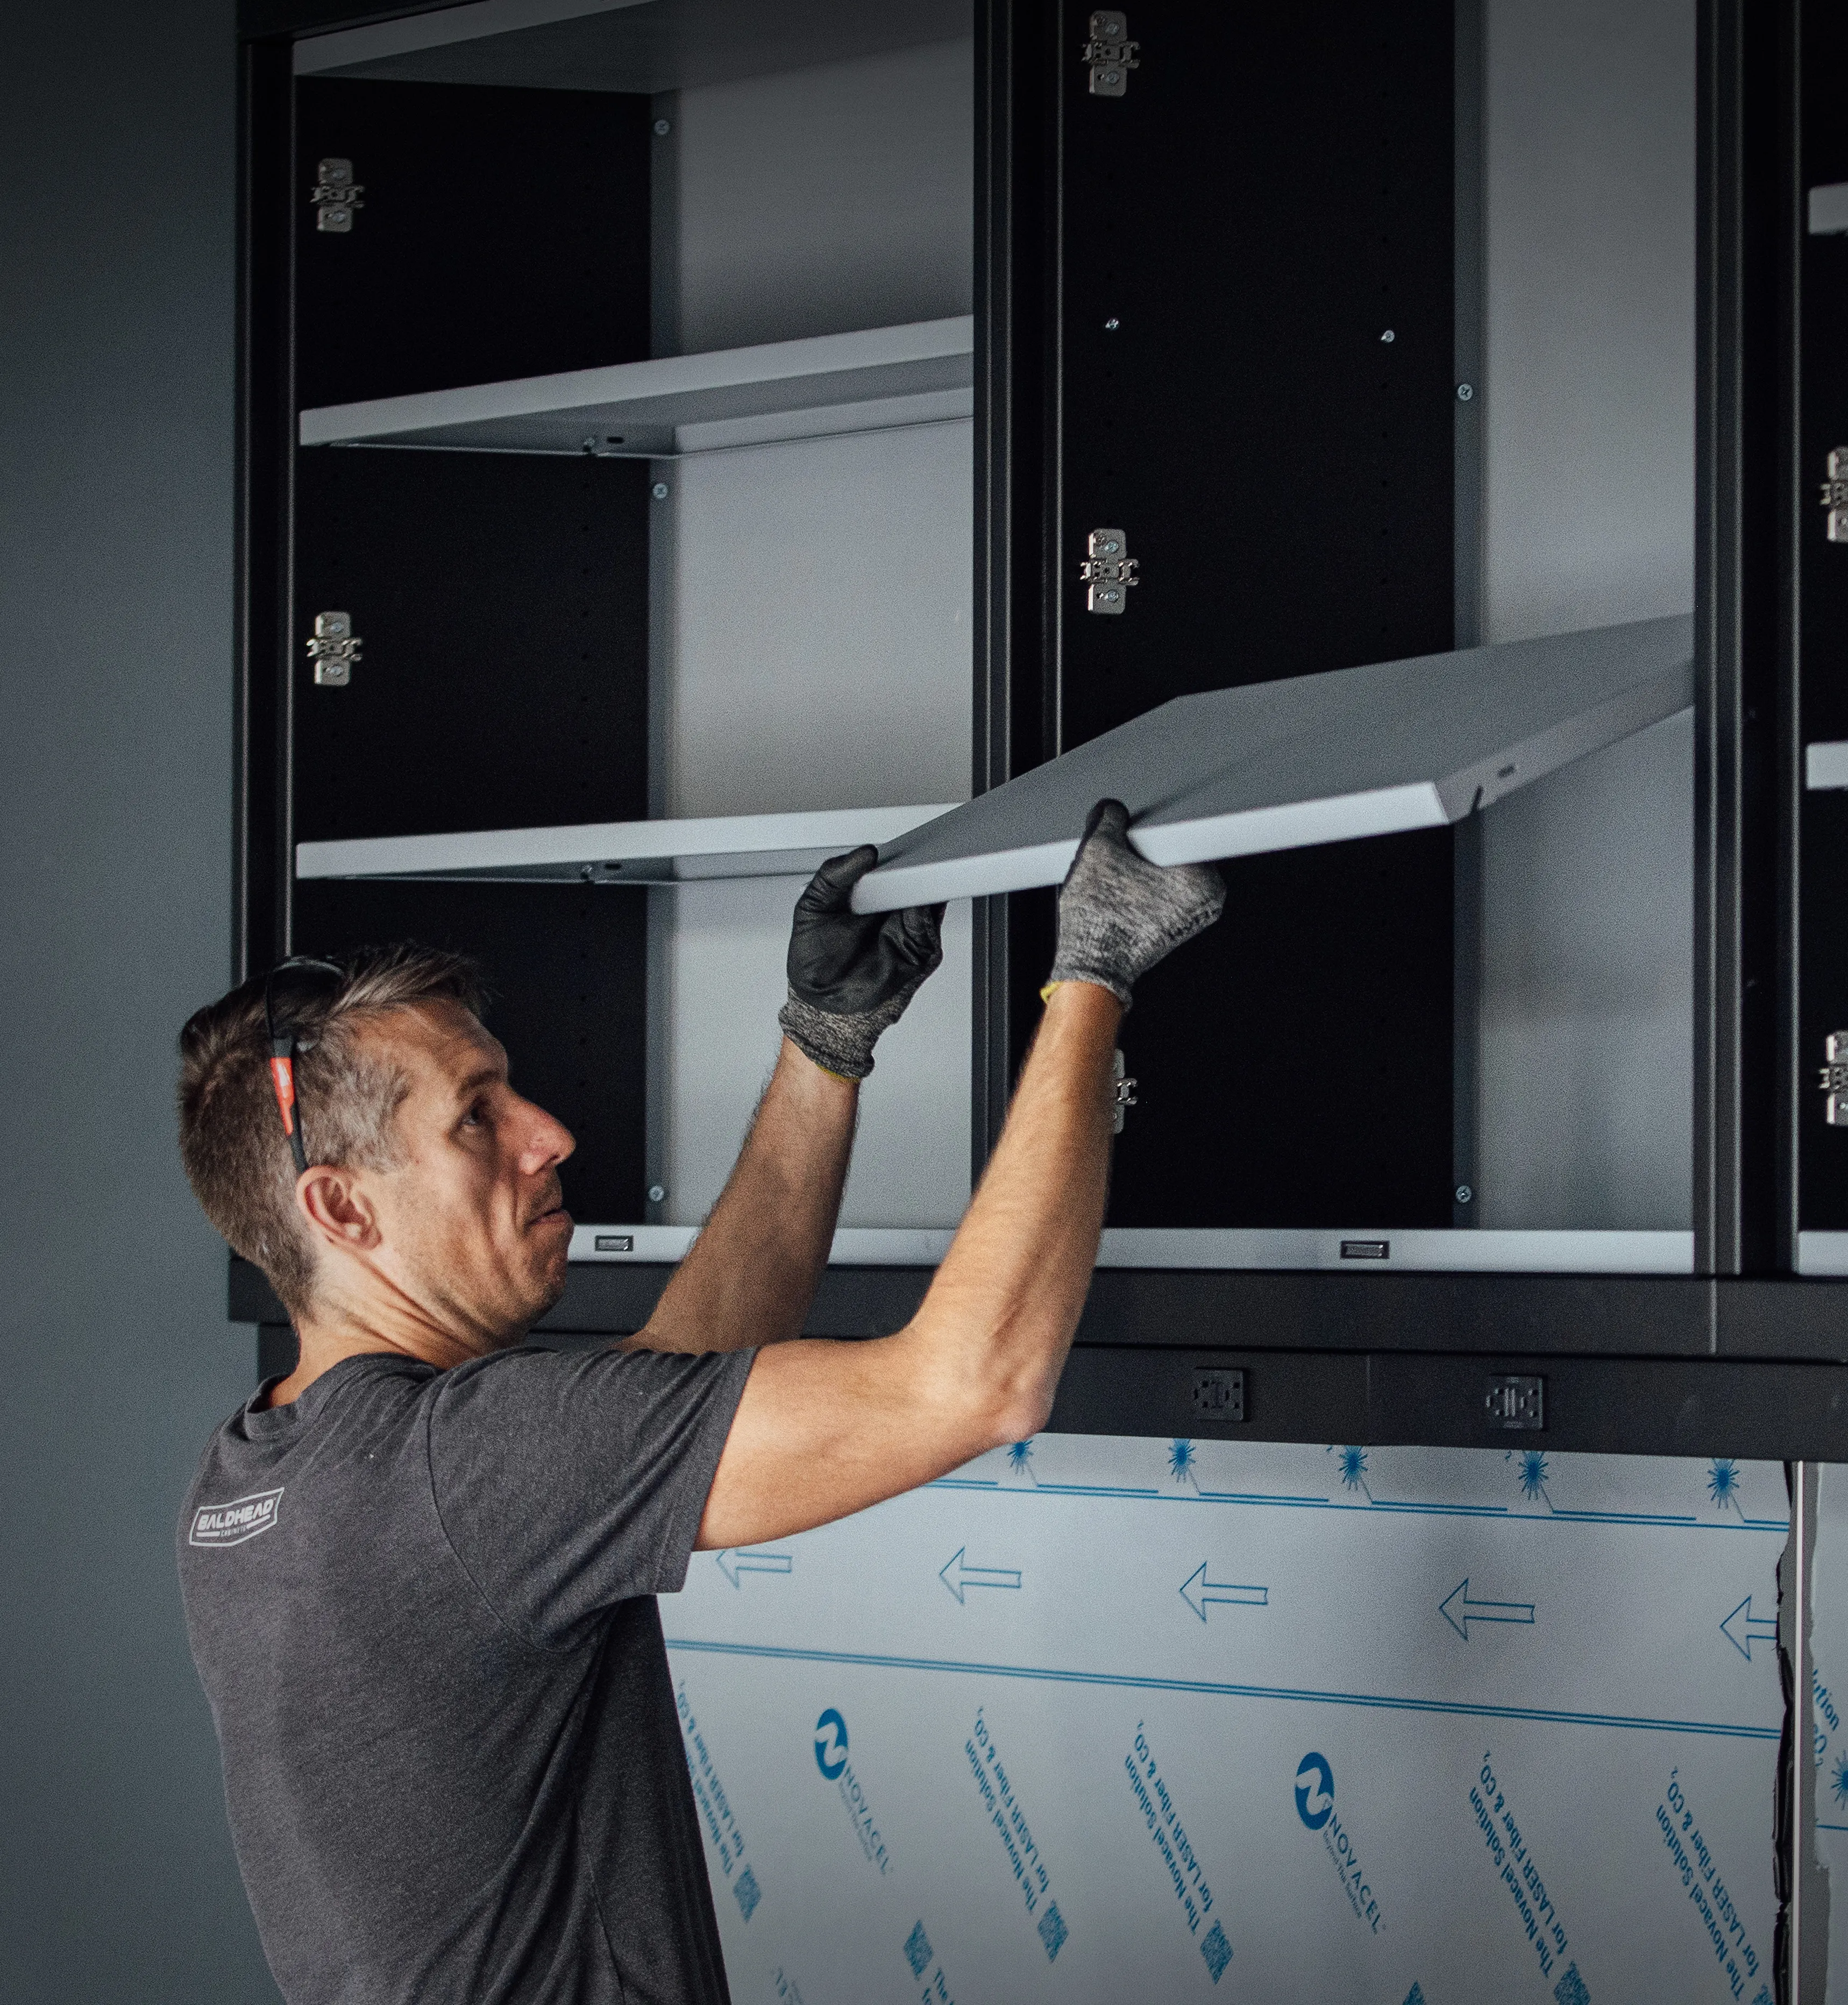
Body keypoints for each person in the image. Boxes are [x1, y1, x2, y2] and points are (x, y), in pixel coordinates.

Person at [174, 800, 1224, 2005]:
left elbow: (660, 1389)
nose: (550, 1134)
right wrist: (1092, 973)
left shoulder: (256, 1473)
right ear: (344, 1211)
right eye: (477, 1116)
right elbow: (974, 1383)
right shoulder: (462, 1468)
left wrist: (826, 1043)